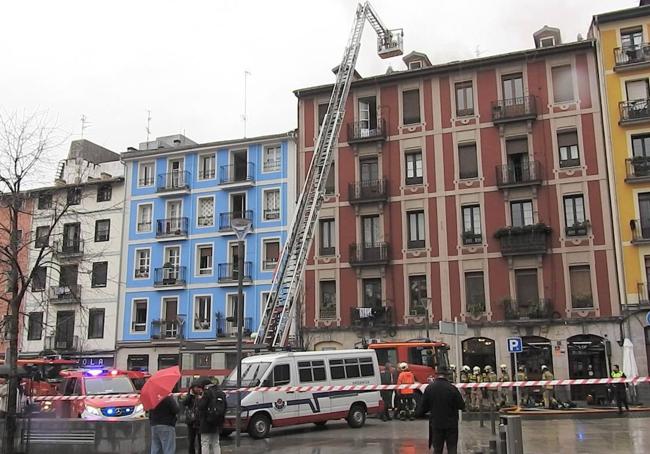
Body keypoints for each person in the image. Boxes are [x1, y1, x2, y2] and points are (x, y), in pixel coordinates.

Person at [417, 367, 465, 454]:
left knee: (437, 449)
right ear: (447, 375)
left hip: (436, 423)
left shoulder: (429, 388)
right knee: (452, 448)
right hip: (451, 424)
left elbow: (424, 407)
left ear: (436, 375)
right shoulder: (452, 388)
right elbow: (461, 405)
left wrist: (417, 414)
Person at [198, 378, 227, 454]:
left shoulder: (207, 393)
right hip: (217, 421)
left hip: (206, 422)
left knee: (205, 443)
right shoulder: (221, 392)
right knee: (216, 443)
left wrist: (200, 399)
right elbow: (225, 406)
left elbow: (201, 406)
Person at [181, 381, 204, 453]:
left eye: (199, 387)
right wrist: (190, 395)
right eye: (196, 387)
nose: (197, 389)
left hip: (200, 420)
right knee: (191, 440)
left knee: (201, 441)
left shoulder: (202, 395)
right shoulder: (189, 396)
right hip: (191, 420)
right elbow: (184, 403)